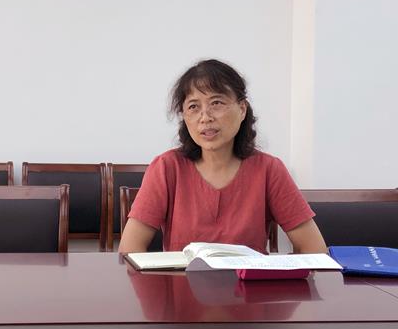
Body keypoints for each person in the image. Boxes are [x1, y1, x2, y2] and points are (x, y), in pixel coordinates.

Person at [118, 59, 326, 254]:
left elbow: (314, 248)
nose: (205, 117)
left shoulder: (269, 169)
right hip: (180, 281)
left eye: (216, 103)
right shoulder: (166, 167)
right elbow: (129, 249)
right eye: (193, 107)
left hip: (250, 282)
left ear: (242, 109)